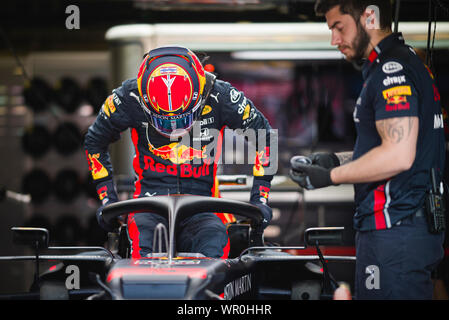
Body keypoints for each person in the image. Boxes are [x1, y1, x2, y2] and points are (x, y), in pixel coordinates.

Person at [290, 0, 446, 299]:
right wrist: (332, 160)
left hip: (395, 228)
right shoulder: (398, 64)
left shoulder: (392, 69)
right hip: (403, 228)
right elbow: (387, 146)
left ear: (369, 17)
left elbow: (398, 155)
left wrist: (331, 176)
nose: (334, 39)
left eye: (339, 27)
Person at [84, 45, 274, 259]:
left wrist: (260, 199)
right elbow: (94, 141)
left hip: (203, 204)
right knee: (142, 257)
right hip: (149, 203)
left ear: (198, 95)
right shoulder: (129, 96)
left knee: (215, 250)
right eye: (165, 121)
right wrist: (107, 199)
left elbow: (266, 137)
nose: (174, 127)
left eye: (181, 119)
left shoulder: (220, 94)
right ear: (145, 100)